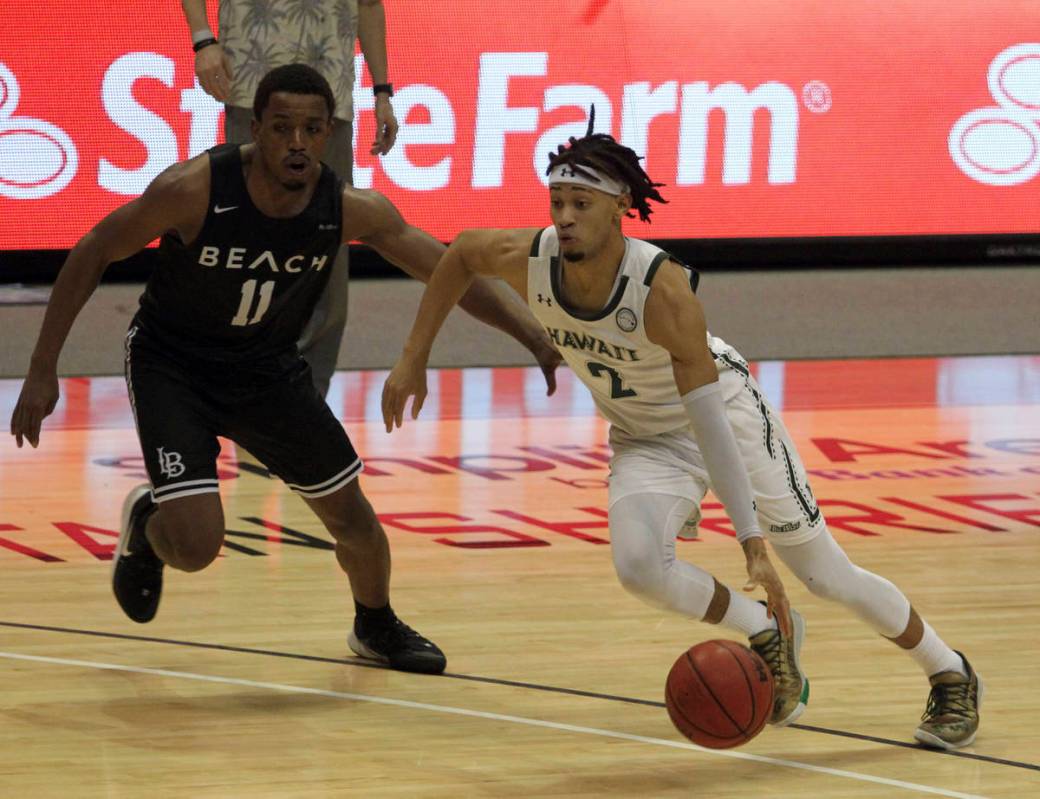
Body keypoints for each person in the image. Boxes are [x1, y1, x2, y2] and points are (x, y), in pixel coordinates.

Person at [381, 121, 983, 746]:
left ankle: (949, 672)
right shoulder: (526, 258)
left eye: (581, 205)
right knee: (639, 566)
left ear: (619, 210)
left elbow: (710, 423)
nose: (564, 218)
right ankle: (766, 628)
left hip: (724, 417)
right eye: (557, 203)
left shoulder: (661, 291)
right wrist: (413, 355)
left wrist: (751, 541)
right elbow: (457, 255)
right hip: (644, 434)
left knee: (824, 573)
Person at [9, 64, 558, 676]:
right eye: (283, 128)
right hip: (174, 364)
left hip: (265, 370)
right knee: (195, 548)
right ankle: (149, 523)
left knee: (354, 520)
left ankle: (375, 625)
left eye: (312, 129)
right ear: (257, 130)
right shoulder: (194, 188)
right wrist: (42, 368)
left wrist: (533, 336)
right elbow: (92, 250)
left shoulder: (349, 208)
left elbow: (449, 269)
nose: (297, 142)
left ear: (328, 134)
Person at [180, 0, 398, 397]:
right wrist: (203, 39)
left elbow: (368, 3)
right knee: (246, 245)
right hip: (251, 83)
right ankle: (243, 384)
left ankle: (309, 394)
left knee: (327, 247)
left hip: (330, 93)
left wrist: (382, 90)